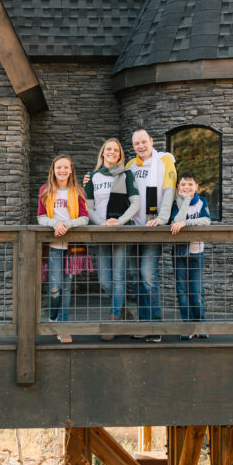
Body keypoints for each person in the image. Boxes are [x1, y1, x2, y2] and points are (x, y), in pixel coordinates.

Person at [84, 137, 140, 337]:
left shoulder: (126, 175)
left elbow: (135, 203)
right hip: (101, 231)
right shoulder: (93, 178)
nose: (112, 152)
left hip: (120, 231)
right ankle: (124, 312)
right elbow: (88, 207)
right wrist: (101, 224)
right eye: (109, 149)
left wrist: (119, 221)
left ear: (119, 155)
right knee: (105, 280)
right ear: (103, 153)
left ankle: (114, 320)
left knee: (118, 277)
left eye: (116, 150)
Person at [126, 129, 176, 336]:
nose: (140, 146)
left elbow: (170, 189)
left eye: (144, 142)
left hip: (152, 227)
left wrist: (162, 219)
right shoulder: (129, 166)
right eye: (136, 143)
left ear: (151, 141)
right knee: (136, 277)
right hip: (132, 227)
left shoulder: (164, 160)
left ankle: (154, 326)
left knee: (148, 276)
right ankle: (142, 323)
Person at [37, 154, 88, 342]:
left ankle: (63, 326)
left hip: (73, 245)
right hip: (53, 245)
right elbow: (41, 217)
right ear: (53, 170)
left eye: (66, 167)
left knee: (67, 287)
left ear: (71, 170)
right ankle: (52, 318)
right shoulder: (45, 190)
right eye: (59, 167)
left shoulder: (78, 191)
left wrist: (66, 224)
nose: (62, 170)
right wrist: (55, 224)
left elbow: (84, 217)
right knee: (55, 286)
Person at [170, 172, 211, 337]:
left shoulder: (203, 202)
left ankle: (200, 325)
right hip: (179, 253)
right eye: (183, 184)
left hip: (197, 252)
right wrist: (185, 200)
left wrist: (186, 223)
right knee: (182, 290)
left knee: (196, 290)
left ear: (197, 187)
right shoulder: (175, 203)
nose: (187, 187)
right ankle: (187, 327)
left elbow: (206, 221)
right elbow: (175, 222)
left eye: (190, 184)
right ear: (178, 187)